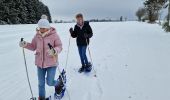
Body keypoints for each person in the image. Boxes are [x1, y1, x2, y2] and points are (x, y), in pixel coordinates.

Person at [19, 18, 64, 100]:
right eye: (40, 27)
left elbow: (60, 46)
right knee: (41, 83)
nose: (41, 29)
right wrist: (25, 44)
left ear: (48, 27)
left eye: (43, 28)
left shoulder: (54, 35)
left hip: (52, 63)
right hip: (40, 64)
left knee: (50, 82)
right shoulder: (37, 36)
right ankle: (42, 98)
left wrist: (55, 50)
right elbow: (33, 46)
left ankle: (59, 84)